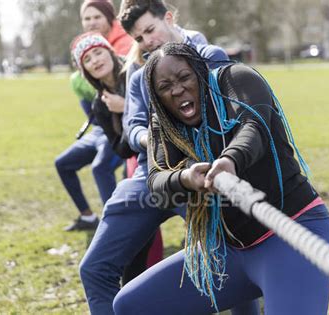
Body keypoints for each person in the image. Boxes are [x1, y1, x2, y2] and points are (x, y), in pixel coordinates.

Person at [112, 43, 329, 315]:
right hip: (229, 252)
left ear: (199, 72)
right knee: (131, 305)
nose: (177, 90)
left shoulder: (236, 79)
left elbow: (253, 128)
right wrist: (186, 177)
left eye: (184, 78)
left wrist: (230, 160)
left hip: (293, 236)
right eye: (165, 86)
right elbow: (157, 182)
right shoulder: (164, 122)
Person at [76, 1, 249, 314]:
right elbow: (132, 126)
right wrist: (152, 139)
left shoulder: (207, 56)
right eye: (139, 38)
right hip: (149, 175)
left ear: (168, 18)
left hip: (201, 175)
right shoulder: (138, 74)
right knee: (93, 268)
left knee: (229, 255)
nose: (147, 41)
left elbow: (233, 116)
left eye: (150, 30)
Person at [56, 0, 133, 232]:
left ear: (110, 18)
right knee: (63, 163)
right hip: (103, 126)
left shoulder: (128, 47)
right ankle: (89, 218)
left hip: (128, 125)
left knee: (101, 168)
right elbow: (92, 110)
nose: (92, 23)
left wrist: (124, 108)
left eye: (97, 17)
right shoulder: (84, 50)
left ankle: (118, 225)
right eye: (87, 19)